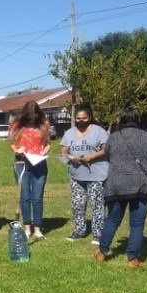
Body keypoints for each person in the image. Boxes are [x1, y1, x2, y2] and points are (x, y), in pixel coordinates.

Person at [94, 107, 147, 269]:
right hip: (142, 185)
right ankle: (133, 259)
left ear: (121, 120)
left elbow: (108, 156)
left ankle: (102, 252)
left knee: (113, 219)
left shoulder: (113, 138)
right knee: (137, 224)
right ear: (138, 120)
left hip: (116, 184)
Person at [60, 104, 108, 245]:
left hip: (97, 174)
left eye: (84, 118)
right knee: (77, 204)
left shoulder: (99, 131)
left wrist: (92, 156)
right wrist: (68, 157)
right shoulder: (69, 133)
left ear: (90, 117)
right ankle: (79, 230)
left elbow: (107, 149)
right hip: (76, 174)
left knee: (97, 205)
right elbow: (63, 150)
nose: (81, 121)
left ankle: (98, 234)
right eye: (78, 118)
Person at [8, 101, 52, 240]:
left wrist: (45, 150)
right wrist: (17, 150)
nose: (32, 118)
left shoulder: (44, 125)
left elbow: (48, 144)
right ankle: (27, 227)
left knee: (37, 197)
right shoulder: (17, 125)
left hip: (39, 164)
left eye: (34, 116)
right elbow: (12, 144)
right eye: (29, 116)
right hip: (22, 164)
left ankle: (37, 228)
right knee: (25, 197)